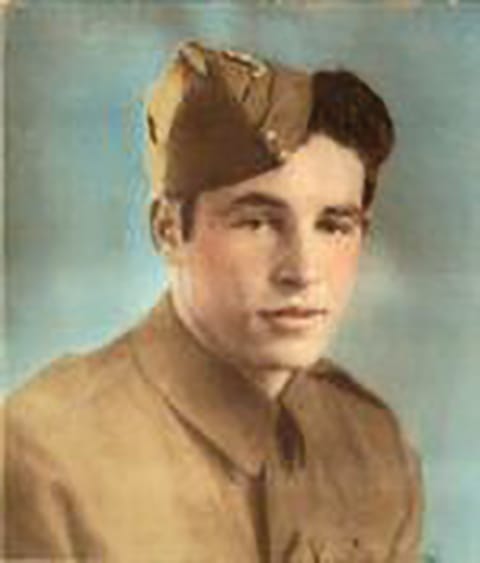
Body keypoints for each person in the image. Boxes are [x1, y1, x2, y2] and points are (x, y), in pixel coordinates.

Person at [3, 41, 422, 562]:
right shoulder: (42, 456)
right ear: (169, 230)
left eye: (333, 225)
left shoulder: (375, 445)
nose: (303, 271)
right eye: (258, 222)